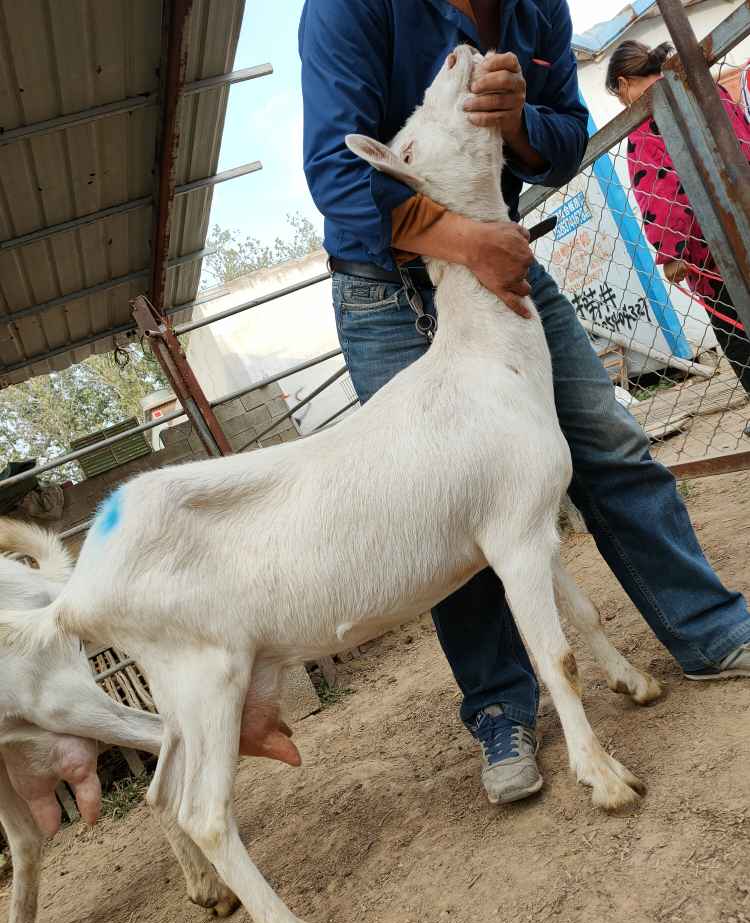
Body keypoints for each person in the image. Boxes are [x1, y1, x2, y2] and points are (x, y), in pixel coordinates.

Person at [299, 0, 750, 806]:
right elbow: (337, 171)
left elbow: (564, 141)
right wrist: (462, 241)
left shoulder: (538, 8)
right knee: (446, 503)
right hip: (387, 283)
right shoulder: (347, 7)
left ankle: (709, 629)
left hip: (500, 254)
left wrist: (516, 126)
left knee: (604, 435)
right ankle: (504, 707)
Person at [607, 40, 750, 402]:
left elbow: (660, 193)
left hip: (712, 256)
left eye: (619, 97)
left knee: (738, 339)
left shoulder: (644, 122)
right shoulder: (704, 88)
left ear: (624, 84)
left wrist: (672, 255)